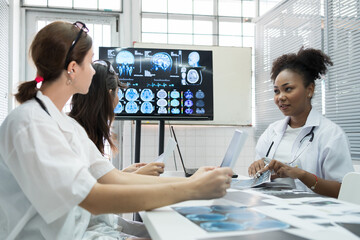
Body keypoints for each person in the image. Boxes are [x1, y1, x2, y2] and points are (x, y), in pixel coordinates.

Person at [0, 21, 233, 240]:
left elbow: (114, 179)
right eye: (90, 62)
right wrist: (192, 190)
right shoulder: (30, 124)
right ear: (73, 69)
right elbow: (93, 199)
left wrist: (194, 181)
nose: (93, 71)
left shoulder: (64, 124)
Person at [248, 47, 354, 198]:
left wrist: (301, 175)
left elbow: (343, 190)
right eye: (277, 91)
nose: (281, 97)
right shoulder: (272, 131)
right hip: (274, 208)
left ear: (309, 90)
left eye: (288, 89)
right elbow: (259, 178)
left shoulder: (331, 134)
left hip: (314, 214)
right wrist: (256, 169)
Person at [69, 59, 164, 176]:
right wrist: (136, 176)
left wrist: (122, 173)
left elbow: (95, 178)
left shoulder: (77, 127)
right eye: (117, 93)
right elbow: (96, 189)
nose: (118, 100)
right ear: (109, 95)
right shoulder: (79, 136)